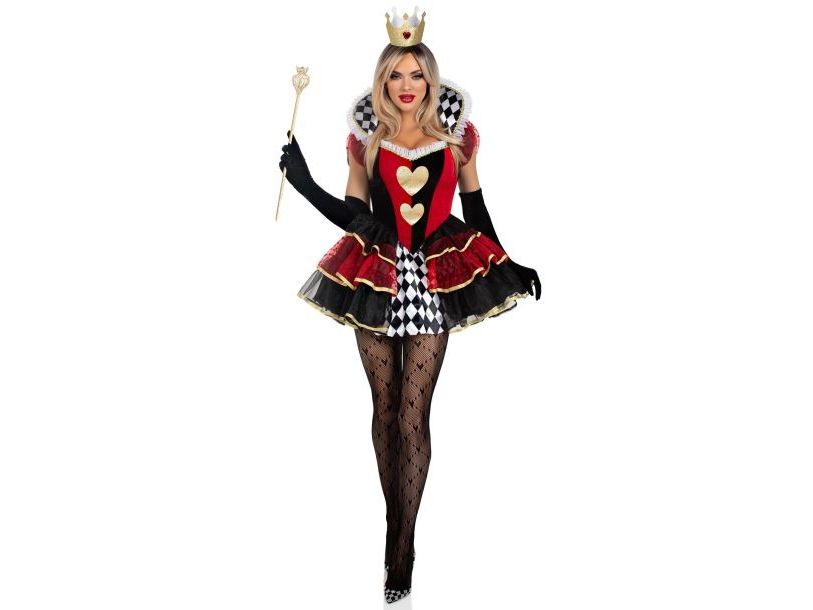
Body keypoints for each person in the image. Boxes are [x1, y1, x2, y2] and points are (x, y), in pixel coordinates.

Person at [278, 6, 541, 603]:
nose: (406, 85)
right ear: (383, 81)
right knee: (385, 408)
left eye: (416, 74)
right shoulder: (366, 142)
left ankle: (403, 546)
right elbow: (355, 217)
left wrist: (508, 262)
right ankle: (392, 524)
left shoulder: (457, 139)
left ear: (430, 79)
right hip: (376, 276)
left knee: (413, 415)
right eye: (395, 75)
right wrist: (305, 183)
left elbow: (475, 210)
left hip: (432, 280)